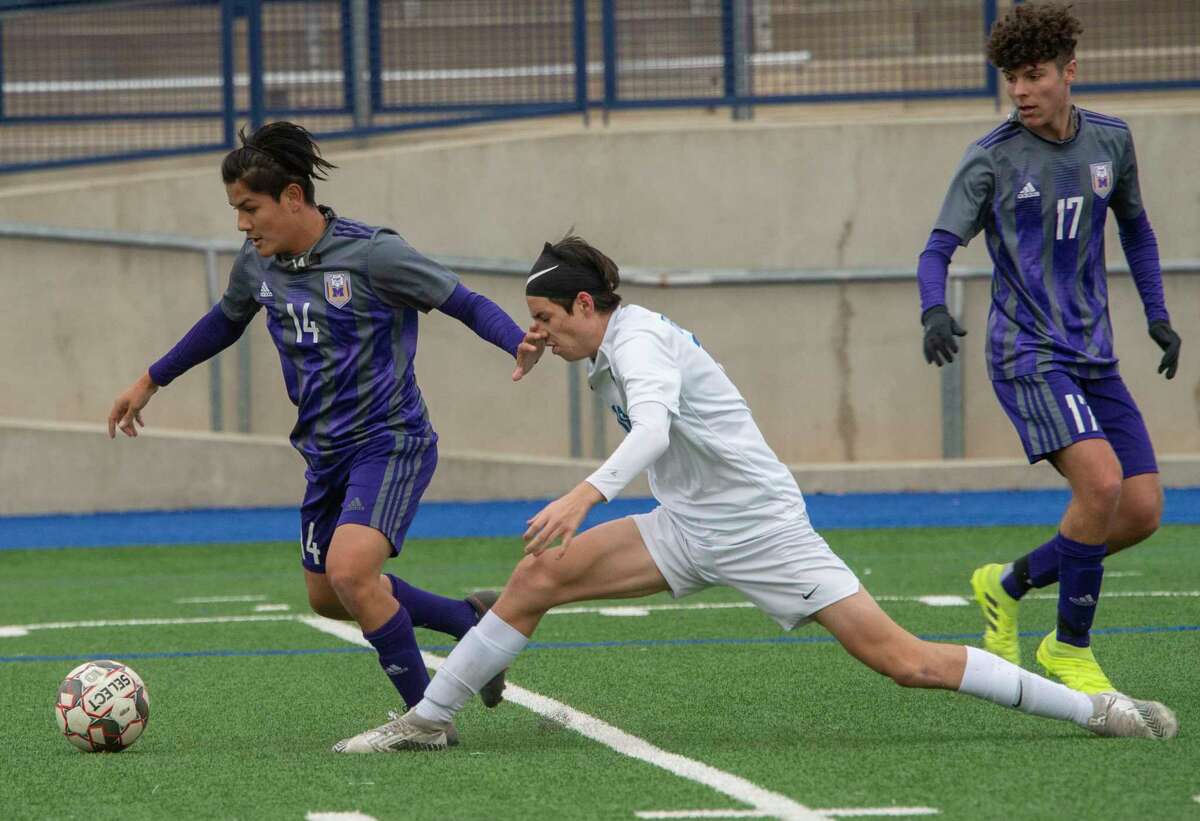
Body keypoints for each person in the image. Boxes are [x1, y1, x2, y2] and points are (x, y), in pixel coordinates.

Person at [330, 235, 1176, 753]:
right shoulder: (603, 342)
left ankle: (1096, 708)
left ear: (585, 304)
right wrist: (543, 351)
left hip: (763, 530)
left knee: (905, 662)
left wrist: (584, 494)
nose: (536, 332)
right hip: (688, 523)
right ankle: (429, 720)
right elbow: (646, 426)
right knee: (535, 579)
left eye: (545, 319)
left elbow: (655, 431)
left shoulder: (641, 346)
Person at [107, 121, 544, 746]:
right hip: (324, 453)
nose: (241, 225)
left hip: (389, 439)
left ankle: (428, 718)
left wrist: (516, 342)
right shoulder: (257, 265)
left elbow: (462, 300)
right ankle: (468, 619)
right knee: (329, 596)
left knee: (350, 572)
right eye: (235, 211)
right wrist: (150, 380)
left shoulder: (372, 254)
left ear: (292, 197)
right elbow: (223, 323)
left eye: (248, 208)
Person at [916, 2, 1182, 694]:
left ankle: (1007, 583)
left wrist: (1158, 315)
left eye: (1034, 75)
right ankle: (1069, 647)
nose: (1021, 91)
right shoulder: (991, 158)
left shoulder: (1111, 143)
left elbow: (1138, 230)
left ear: (1070, 72)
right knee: (1100, 482)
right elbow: (938, 247)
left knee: (1142, 508)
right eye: (1011, 77)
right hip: (1026, 353)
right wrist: (934, 309)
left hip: (1093, 353)